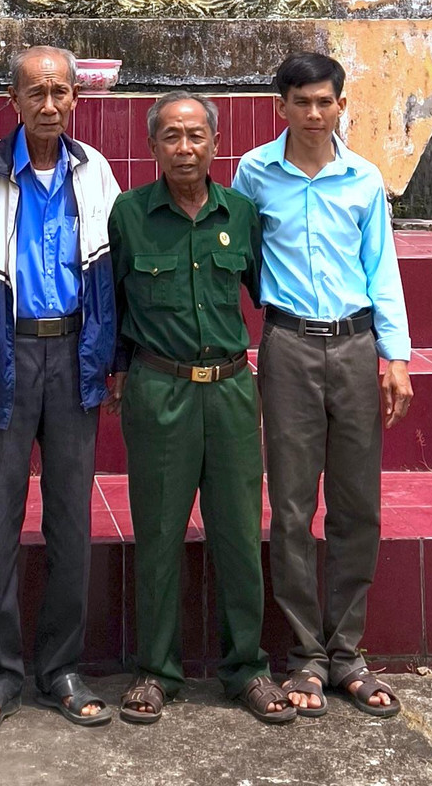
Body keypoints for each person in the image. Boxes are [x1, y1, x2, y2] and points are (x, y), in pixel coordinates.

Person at [0, 45, 120, 737]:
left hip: (73, 354)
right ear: (12, 99)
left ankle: (62, 669)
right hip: (3, 354)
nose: (49, 104)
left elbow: (109, 273)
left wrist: (105, 358)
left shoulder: (94, 171)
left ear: (77, 98)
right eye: (35, 93)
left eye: (60, 92)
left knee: (71, 522)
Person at [232, 52, 411, 720]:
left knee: (357, 504)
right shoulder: (255, 173)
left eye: (325, 102)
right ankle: (305, 654)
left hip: (356, 342)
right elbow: (241, 254)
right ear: (281, 106)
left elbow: (381, 267)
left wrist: (396, 356)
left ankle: (348, 654)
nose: (314, 113)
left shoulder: (363, 179)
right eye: (301, 101)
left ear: (341, 106)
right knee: (291, 506)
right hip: (288, 346)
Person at [107, 93, 294, 728]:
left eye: (196, 136)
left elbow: (272, 289)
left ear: (215, 144)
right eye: (171, 137)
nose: (184, 148)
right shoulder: (129, 214)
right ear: (153, 145)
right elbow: (110, 305)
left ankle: (247, 668)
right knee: (159, 533)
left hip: (233, 390)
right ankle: (156, 671)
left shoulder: (240, 213)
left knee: (240, 531)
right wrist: (115, 373)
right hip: (159, 391)